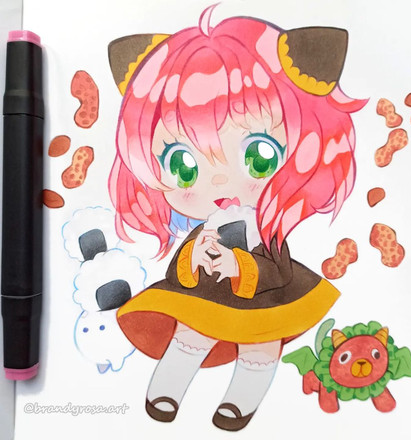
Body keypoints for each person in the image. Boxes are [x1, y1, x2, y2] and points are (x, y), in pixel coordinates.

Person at [108, 4, 366, 431]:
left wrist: (240, 266)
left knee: (262, 350)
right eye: (183, 166)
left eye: (260, 155)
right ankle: (163, 393)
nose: (220, 180)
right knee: (189, 337)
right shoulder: (205, 225)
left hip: (261, 302)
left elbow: (279, 270)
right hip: (204, 299)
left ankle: (239, 404)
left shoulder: (267, 228)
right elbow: (178, 272)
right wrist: (193, 260)